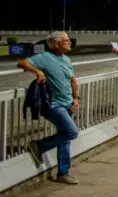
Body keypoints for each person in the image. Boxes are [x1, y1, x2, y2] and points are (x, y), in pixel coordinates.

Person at [19, 31, 80, 185]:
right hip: (53, 105)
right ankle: (39, 145)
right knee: (72, 132)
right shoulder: (45, 57)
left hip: (68, 103)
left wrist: (76, 98)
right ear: (57, 43)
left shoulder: (66, 59)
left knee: (65, 138)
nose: (70, 42)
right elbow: (23, 63)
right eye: (67, 40)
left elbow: (73, 79)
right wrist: (37, 71)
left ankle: (63, 173)